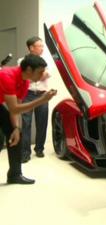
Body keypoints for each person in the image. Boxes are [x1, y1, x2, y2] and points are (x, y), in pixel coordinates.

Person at [0, 54, 57, 184]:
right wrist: (42, 100)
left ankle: (15, 175)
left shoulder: (25, 82)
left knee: (16, 134)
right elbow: (14, 108)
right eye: (40, 72)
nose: (43, 75)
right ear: (29, 70)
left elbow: (17, 108)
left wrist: (16, 128)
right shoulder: (7, 75)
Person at [20, 36, 51, 163]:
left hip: (43, 95)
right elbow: (24, 77)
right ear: (31, 47)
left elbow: (45, 75)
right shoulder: (21, 61)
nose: (42, 48)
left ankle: (39, 149)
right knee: (26, 124)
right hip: (27, 94)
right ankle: (25, 153)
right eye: (40, 46)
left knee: (42, 122)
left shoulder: (45, 60)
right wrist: (37, 75)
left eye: (43, 46)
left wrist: (32, 74)